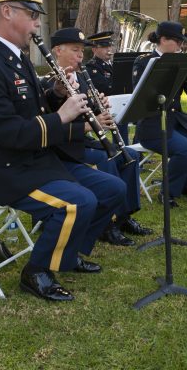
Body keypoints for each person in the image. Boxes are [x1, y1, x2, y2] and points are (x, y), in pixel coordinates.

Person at [0, 0, 123, 301]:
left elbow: (31, 107)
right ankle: (36, 271)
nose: (38, 23)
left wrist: (55, 94)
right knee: (79, 202)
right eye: (33, 14)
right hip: (8, 171)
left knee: (113, 189)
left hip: (39, 161)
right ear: (7, 12)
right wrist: (62, 116)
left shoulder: (18, 58)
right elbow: (10, 132)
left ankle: (69, 251)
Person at [48, 27, 151, 246]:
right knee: (108, 159)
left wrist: (100, 109)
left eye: (81, 51)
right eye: (75, 50)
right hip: (65, 147)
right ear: (58, 50)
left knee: (129, 155)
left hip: (84, 141)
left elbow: (90, 110)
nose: (80, 56)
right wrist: (92, 123)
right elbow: (57, 122)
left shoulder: (82, 78)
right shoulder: (50, 83)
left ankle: (124, 216)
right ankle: (107, 224)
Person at [132, 21, 187, 205]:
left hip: (176, 121)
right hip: (152, 125)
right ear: (163, 40)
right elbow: (141, 95)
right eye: (177, 41)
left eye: (181, 42)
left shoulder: (180, 61)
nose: (181, 46)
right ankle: (168, 192)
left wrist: (186, 70)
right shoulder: (145, 61)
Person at [85, 30, 130, 143]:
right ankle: (122, 149)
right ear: (94, 49)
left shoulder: (114, 64)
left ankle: (134, 149)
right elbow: (106, 88)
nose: (109, 49)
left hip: (118, 102)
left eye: (110, 45)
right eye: (104, 46)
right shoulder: (92, 67)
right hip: (103, 106)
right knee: (122, 117)